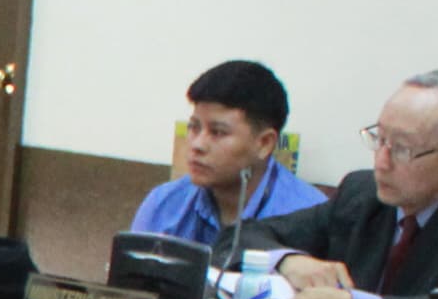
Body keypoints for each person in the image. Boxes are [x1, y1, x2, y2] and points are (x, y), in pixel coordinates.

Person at [247, 69, 438, 299]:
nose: (381, 162)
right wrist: (287, 260)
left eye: (402, 149)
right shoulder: (361, 193)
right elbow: (240, 238)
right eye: (379, 138)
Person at [127, 58, 327, 252]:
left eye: (218, 132)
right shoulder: (164, 204)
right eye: (194, 128)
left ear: (264, 143)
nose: (197, 145)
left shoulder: (311, 217)